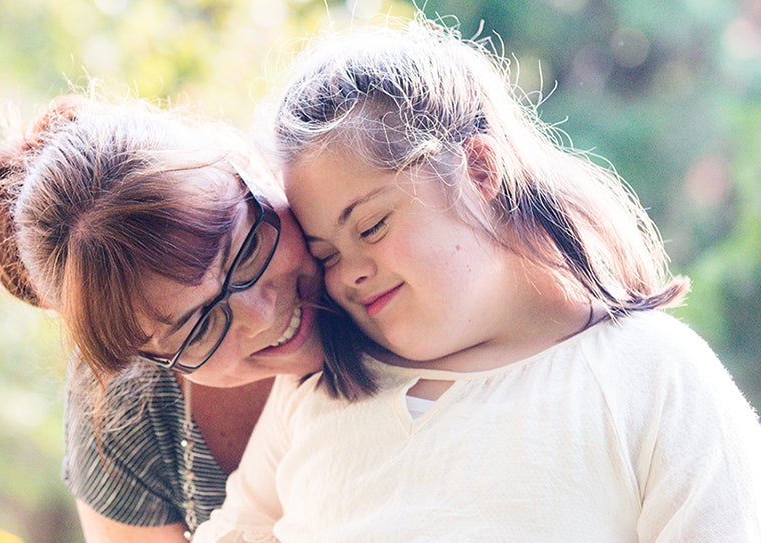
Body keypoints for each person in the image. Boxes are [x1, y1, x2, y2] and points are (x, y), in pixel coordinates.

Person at [193, 17, 761, 542]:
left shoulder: (653, 379)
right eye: (326, 254)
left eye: (371, 225)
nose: (352, 274)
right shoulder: (325, 389)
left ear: (481, 169)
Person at [0, 92, 368, 543]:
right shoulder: (128, 410)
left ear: (246, 165)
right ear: (144, 358)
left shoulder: (376, 213)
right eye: (198, 327)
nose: (258, 316)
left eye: (245, 252)